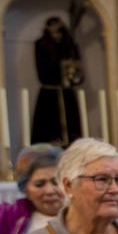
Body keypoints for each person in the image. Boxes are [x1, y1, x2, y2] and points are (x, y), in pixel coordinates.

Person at [31, 16, 84, 144]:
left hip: (67, 93)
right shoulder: (41, 45)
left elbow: (78, 73)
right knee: (49, 128)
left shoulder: (70, 45)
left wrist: (72, 70)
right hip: (50, 94)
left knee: (71, 129)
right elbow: (42, 72)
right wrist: (59, 67)